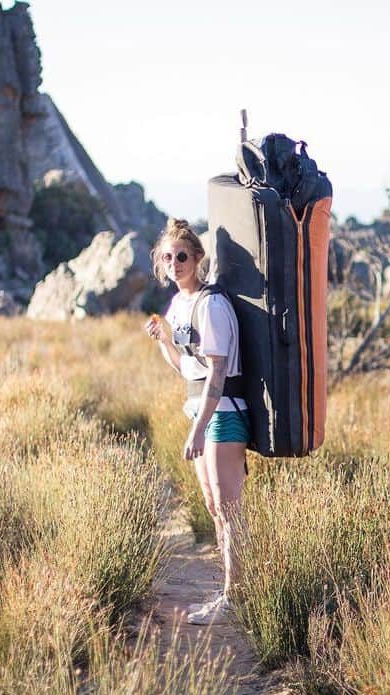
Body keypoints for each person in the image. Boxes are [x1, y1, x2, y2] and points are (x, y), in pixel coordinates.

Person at [144, 218, 248, 625]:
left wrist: (199, 427)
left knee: (228, 508)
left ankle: (234, 597)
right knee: (213, 505)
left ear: (198, 258)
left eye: (182, 256)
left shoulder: (212, 305)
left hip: (222, 414)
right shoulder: (178, 305)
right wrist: (165, 343)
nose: (175, 263)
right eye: (168, 257)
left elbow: (218, 374)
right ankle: (235, 590)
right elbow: (188, 370)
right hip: (203, 411)